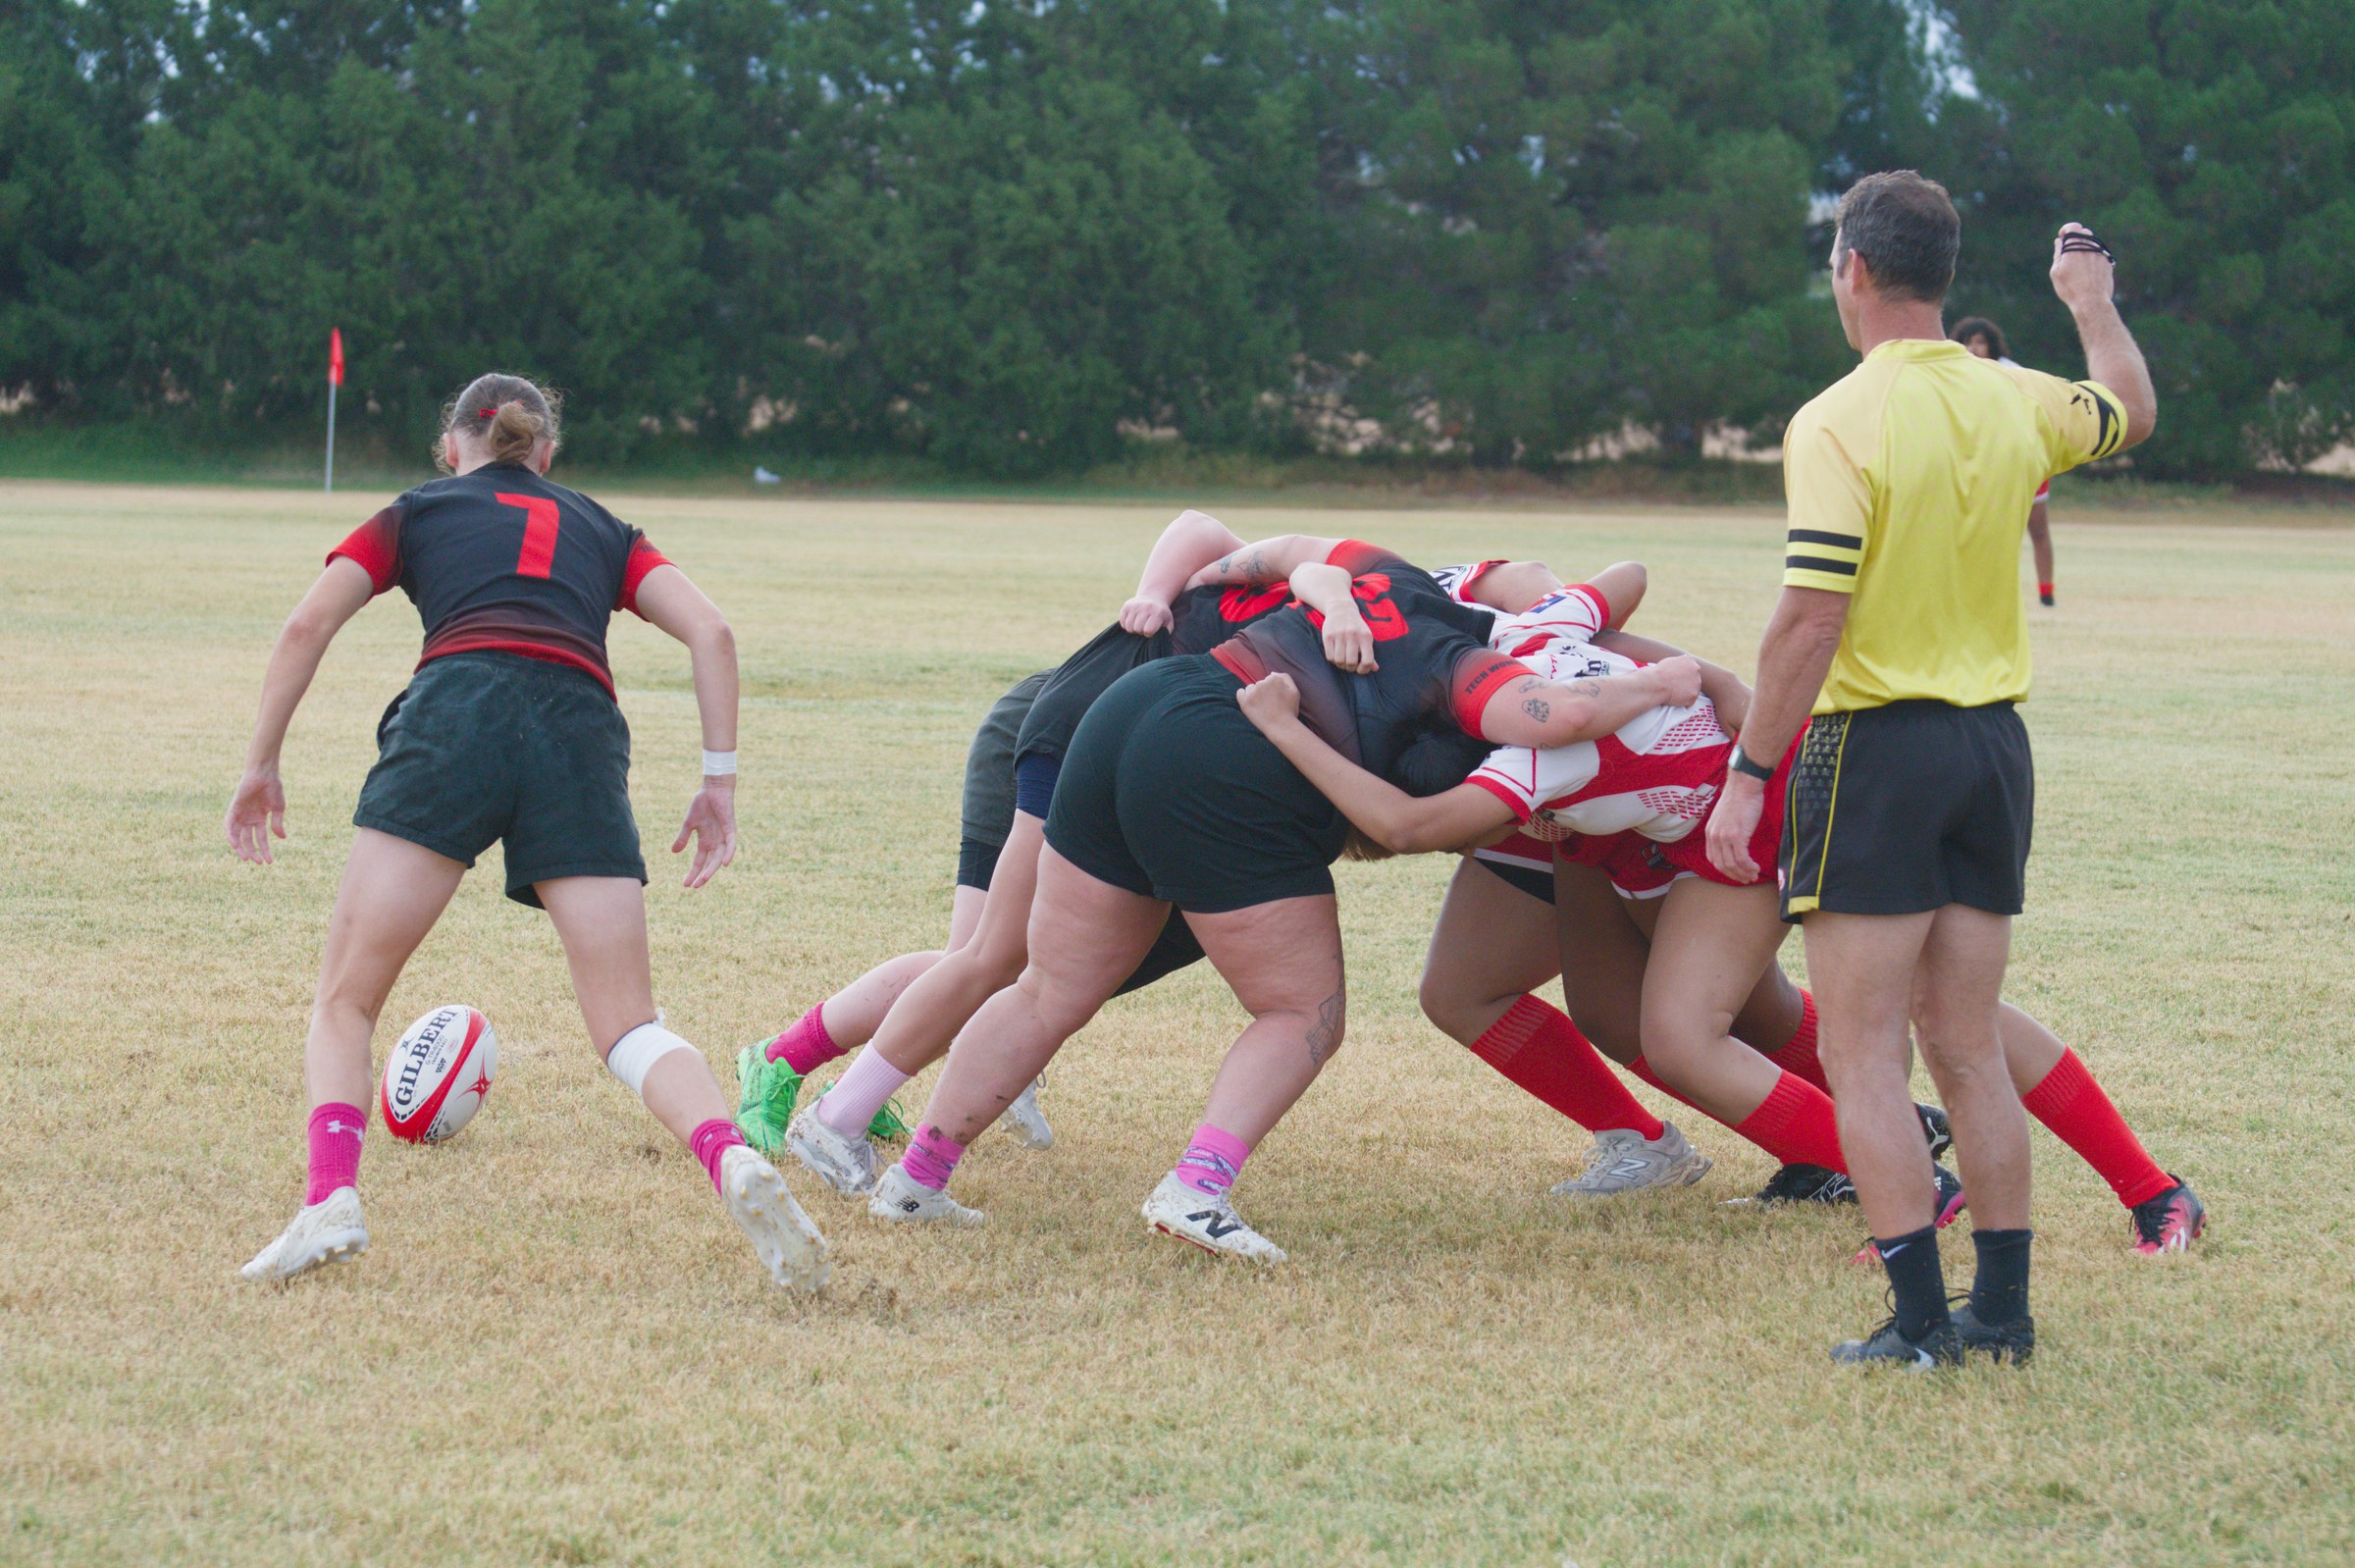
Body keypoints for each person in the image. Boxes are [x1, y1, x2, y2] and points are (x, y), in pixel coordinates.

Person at [864, 535, 1703, 1260]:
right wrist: (1659, 685)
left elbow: (1284, 555)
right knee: (1301, 1012)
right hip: (1227, 759)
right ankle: (1197, 1190)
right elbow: (1557, 715)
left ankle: (917, 1181)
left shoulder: (1391, 573)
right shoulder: (1465, 659)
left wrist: (1300, 591)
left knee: (1047, 988)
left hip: (1138, 703)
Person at [227, 374, 828, 1291]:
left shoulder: (416, 510)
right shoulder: (604, 529)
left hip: (456, 715)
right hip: (577, 732)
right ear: (545, 452)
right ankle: (729, 1154)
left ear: (453, 446)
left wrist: (261, 762)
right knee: (628, 1024)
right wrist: (718, 784)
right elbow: (712, 632)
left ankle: (330, 1199)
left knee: (345, 1002)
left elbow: (309, 621)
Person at [1701, 175, 2163, 1368]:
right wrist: (2089, 300)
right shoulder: (2013, 393)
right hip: (1992, 746)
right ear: (1942, 275)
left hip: (1875, 748)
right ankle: (1998, 1314)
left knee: (1862, 1052)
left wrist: (1750, 772)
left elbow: (1811, 619)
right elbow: (2131, 408)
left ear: (1852, 268)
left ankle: (1917, 1326)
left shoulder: (1837, 418)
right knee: (1965, 1041)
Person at [743, 510, 1357, 1199]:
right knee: (992, 959)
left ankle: (895, 1095)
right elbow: (1208, 530)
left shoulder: (1348, 642)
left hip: (1146, 769)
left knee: (1033, 970)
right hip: (1075, 731)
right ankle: (796, 1075)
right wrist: (1154, 593)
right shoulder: (1334, 599)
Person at [1955, 317, 2060, 605]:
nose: (1973, 349)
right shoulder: (1955, 375)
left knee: (2038, 528)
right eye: (1967, 343)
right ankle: (1981, 595)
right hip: (1982, 463)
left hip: (2022, 457)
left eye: (1980, 342)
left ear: (1992, 345)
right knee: (1984, 533)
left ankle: (2046, 593)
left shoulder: (2012, 373)